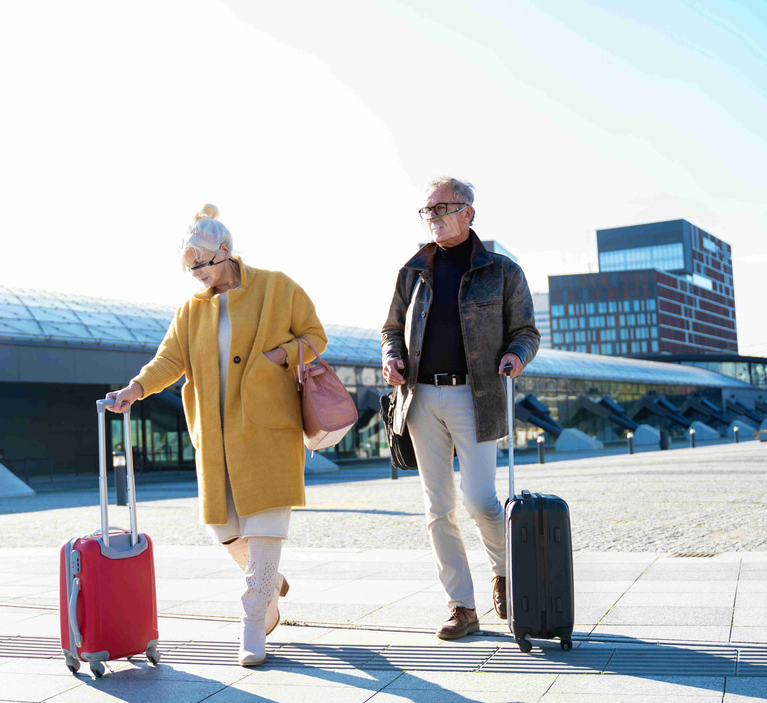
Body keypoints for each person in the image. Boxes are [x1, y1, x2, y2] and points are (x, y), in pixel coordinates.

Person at [106, 204, 327, 666]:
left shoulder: (277, 287)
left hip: (268, 427)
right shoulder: (191, 310)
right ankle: (269, 581)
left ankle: (253, 620)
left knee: (266, 522)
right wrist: (136, 389)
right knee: (223, 527)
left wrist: (280, 357)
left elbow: (314, 337)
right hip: (216, 433)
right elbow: (169, 361)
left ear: (225, 251)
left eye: (203, 265)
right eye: (191, 270)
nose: (198, 276)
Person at [381, 177, 540, 640]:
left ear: (469, 212)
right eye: (427, 210)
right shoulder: (413, 270)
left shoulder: (502, 271)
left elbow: (527, 332)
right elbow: (390, 328)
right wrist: (392, 357)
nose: (432, 216)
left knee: (480, 499)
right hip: (420, 398)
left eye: (441, 207)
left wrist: (516, 356)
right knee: (438, 508)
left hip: (478, 395)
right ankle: (461, 606)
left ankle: (506, 573)